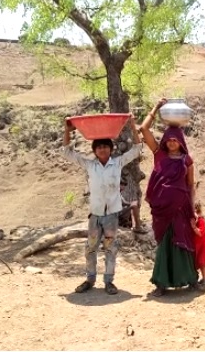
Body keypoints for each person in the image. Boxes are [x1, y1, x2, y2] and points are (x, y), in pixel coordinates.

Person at [61, 115, 143, 295]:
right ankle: (90, 279)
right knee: (90, 248)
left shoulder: (118, 163)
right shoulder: (90, 165)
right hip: (95, 216)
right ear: (95, 150)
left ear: (110, 148)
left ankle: (109, 281)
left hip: (112, 216)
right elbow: (67, 152)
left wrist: (132, 125)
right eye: (99, 147)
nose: (102, 149)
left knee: (110, 248)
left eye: (105, 146)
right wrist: (67, 130)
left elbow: (137, 149)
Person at [140, 98, 199, 297]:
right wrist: (156, 106)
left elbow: (190, 185)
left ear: (181, 142)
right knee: (165, 243)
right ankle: (161, 284)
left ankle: (190, 279)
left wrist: (193, 207)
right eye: (169, 139)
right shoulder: (159, 154)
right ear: (165, 140)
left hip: (181, 208)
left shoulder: (187, 160)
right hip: (162, 210)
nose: (172, 142)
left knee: (184, 240)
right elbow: (144, 129)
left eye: (175, 139)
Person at [192, 202, 205, 288]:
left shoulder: (200, 220)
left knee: (202, 264)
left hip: (202, 246)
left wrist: (193, 227)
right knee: (199, 263)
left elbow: (200, 233)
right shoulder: (195, 220)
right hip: (197, 246)